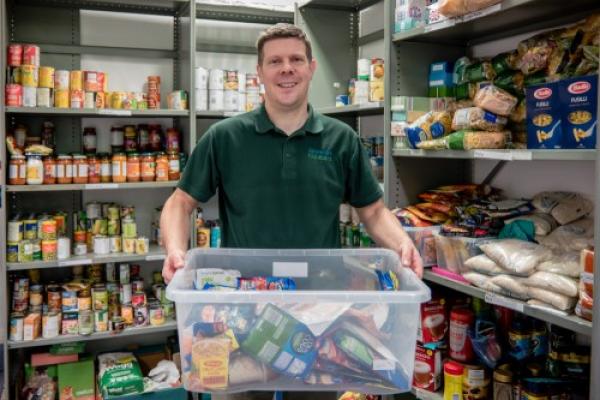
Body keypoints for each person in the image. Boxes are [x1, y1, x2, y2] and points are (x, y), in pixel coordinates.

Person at [161, 23, 423, 400]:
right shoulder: (225, 136)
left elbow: (373, 210)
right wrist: (175, 249)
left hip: (322, 309)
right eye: (275, 61)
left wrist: (403, 245)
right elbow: (179, 202)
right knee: (238, 393)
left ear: (311, 68)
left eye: (296, 59)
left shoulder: (340, 139)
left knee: (313, 396)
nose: (287, 69)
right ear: (260, 73)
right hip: (242, 305)